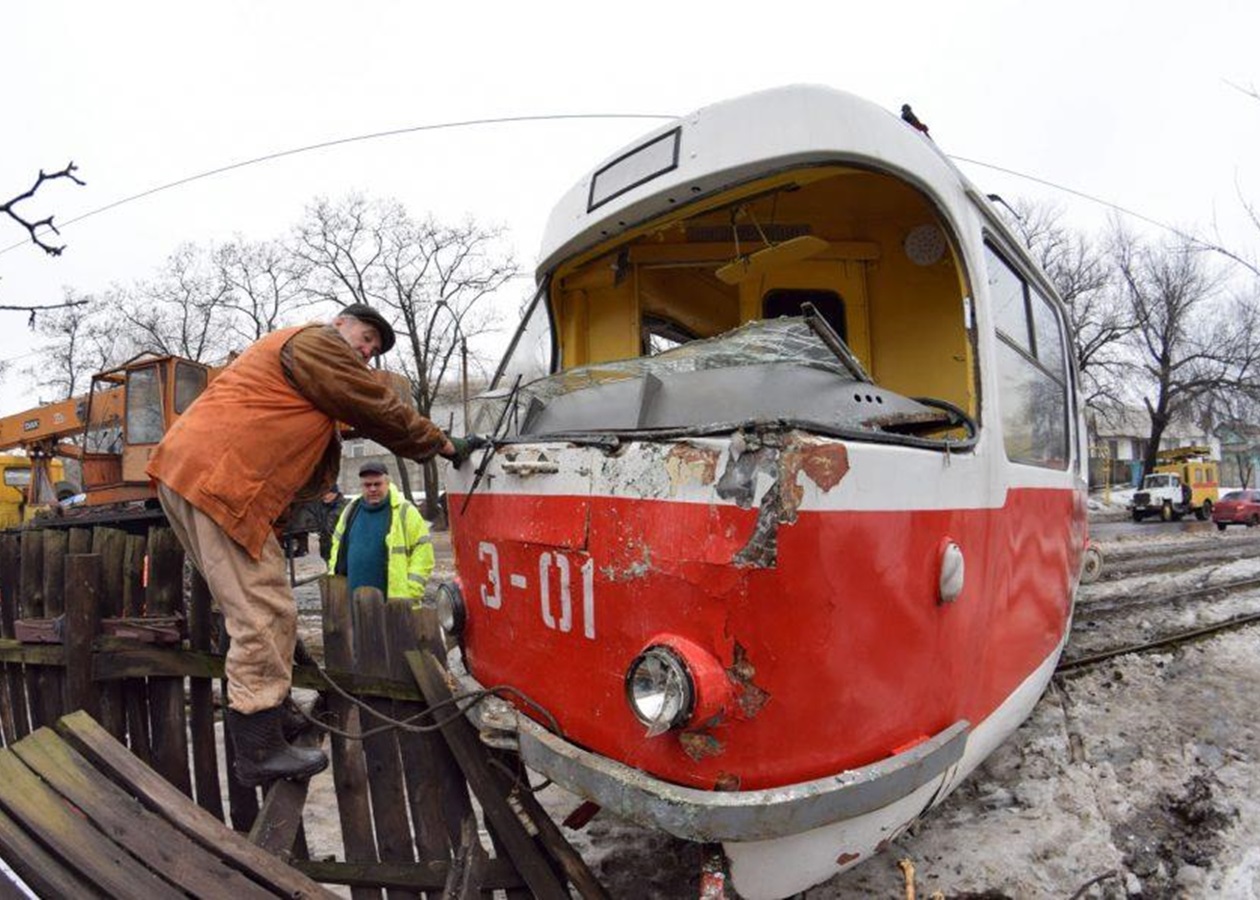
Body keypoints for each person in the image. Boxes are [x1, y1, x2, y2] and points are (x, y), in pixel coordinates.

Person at [147, 303, 472, 787]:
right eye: (365, 338)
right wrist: (445, 445)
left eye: (373, 351)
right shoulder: (316, 343)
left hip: (191, 475)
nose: (366, 352)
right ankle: (257, 747)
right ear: (340, 324)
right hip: (219, 483)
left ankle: (273, 719)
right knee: (263, 612)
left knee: (258, 606)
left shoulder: (298, 370)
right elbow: (378, 407)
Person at [328, 462, 434, 602]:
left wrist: (412, 591)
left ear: (388, 483)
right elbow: (336, 548)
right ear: (362, 486)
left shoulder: (405, 511)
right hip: (354, 602)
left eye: (377, 484)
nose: (372, 489)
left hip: (394, 604)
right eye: (367, 485)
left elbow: (423, 553)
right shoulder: (351, 510)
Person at [317, 484, 346, 562]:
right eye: (322, 494)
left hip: (340, 548)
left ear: (335, 493)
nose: (324, 496)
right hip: (326, 548)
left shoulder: (343, 507)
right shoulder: (321, 506)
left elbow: (329, 528)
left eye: (327, 493)